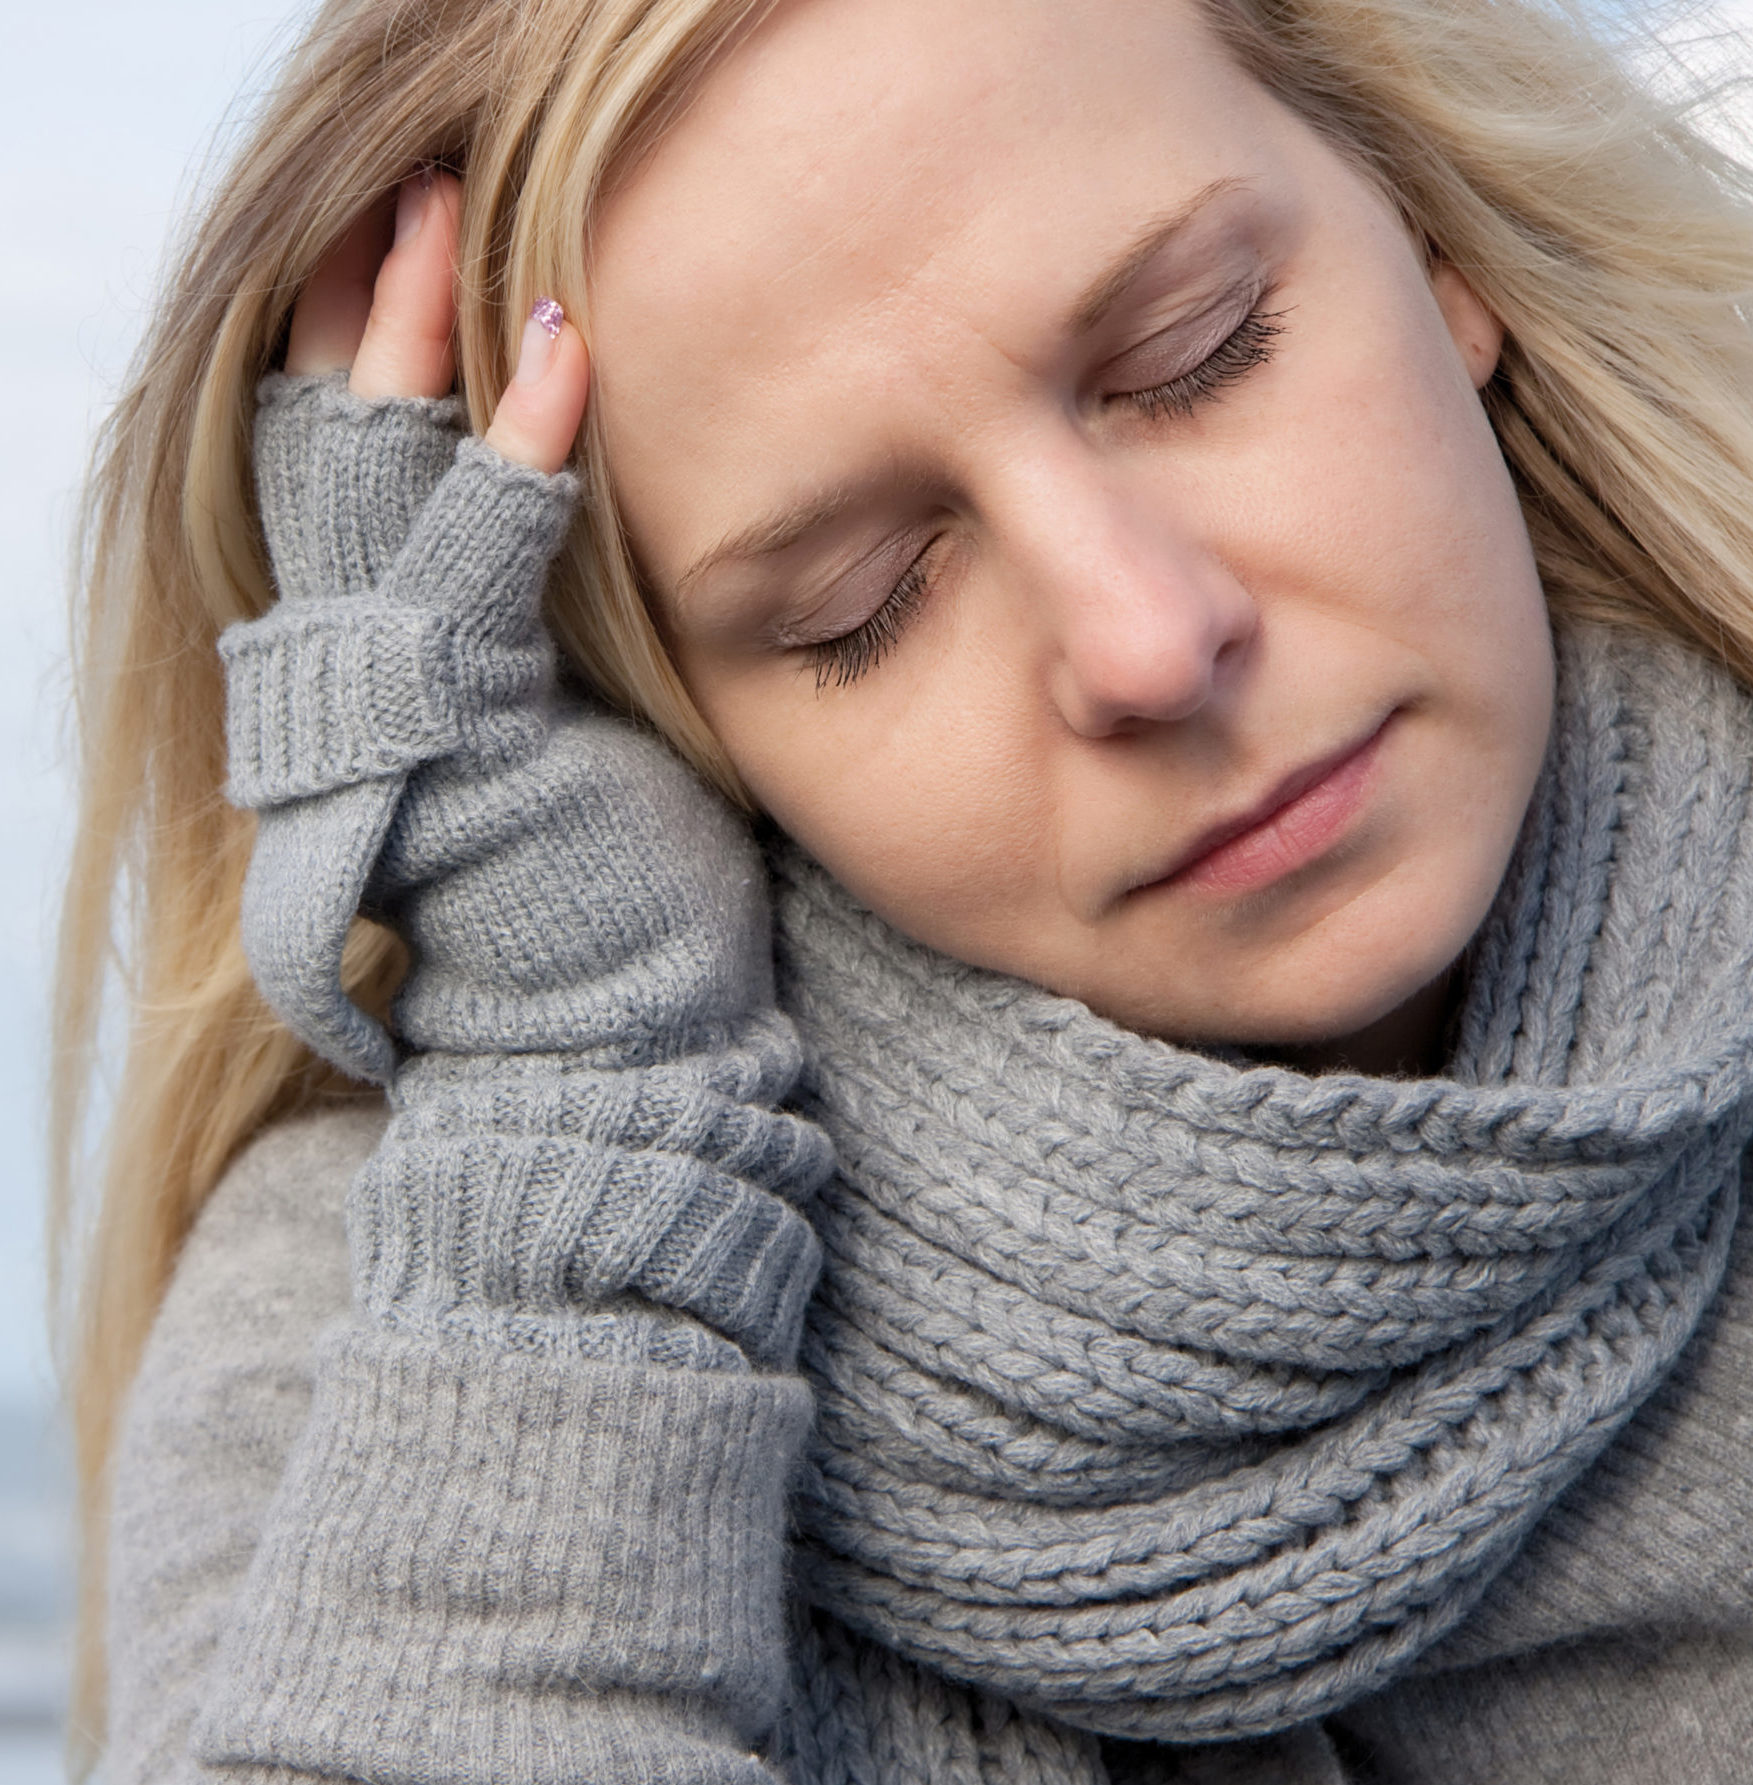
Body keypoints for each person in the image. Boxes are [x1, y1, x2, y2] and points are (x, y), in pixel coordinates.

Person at [49, 0, 1753, 1776]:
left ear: (1434, 241)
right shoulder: (391, 1330)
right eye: (857, 601)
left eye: (1197, 349)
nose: (1148, 639)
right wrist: (587, 1115)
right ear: (670, 719)